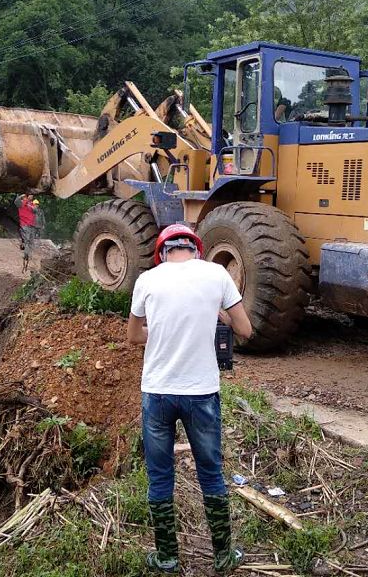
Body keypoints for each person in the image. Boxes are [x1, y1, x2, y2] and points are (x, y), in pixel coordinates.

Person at [127, 224, 253, 574]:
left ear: (163, 253)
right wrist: (217, 312)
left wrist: (162, 330)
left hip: (158, 392)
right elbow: (245, 330)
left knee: (160, 476)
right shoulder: (216, 275)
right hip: (201, 394)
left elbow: (134, 336)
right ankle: (224, 556)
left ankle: (167, 557)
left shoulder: (147, 280)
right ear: (196, 250)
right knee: (211, 474)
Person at [15, 194, 40, 267]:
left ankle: (29, 255)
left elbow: (35, 210)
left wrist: (32, 204)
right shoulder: (21, 203)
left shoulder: (32, 204)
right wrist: (22, 196)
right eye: (29, 196)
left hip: (32, 225)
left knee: (31, 241)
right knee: (27, 240)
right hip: (24, 225)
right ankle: (26, 255)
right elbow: (16, 201)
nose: (31, 197)